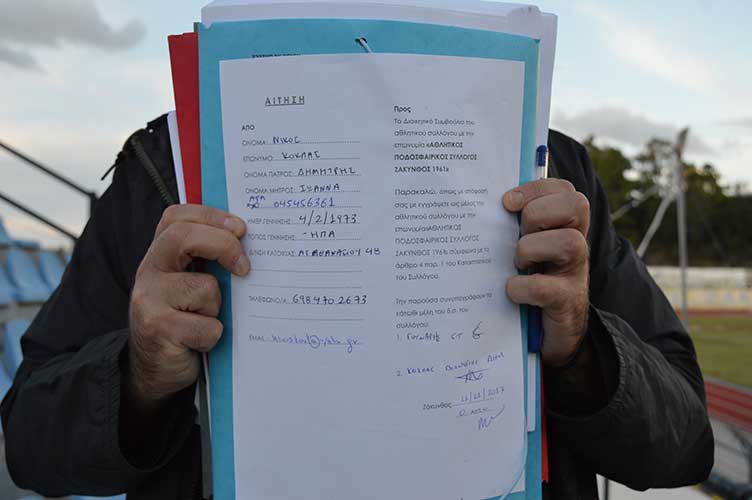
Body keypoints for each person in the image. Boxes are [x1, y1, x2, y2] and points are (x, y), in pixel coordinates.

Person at [1, 114, 713, 500]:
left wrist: (581, 348)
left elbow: (684, 445)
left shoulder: (555, 172)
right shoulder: (162, 166)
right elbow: (31, 447)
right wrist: (139, 376)